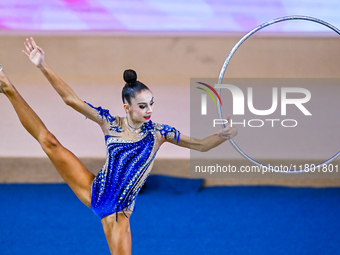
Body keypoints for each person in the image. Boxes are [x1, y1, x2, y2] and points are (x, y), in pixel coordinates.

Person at [0, 37, 237, 255]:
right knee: (49, 142)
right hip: (94, 189)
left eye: (151, 104)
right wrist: (42, 65)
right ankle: (7, 88)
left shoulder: (158, 133)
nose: (149, 110)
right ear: (127, 107)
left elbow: (202, 145)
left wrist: (222, 135)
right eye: (142, 106)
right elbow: (70, 100)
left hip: (119, 212)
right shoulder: (109, 123)